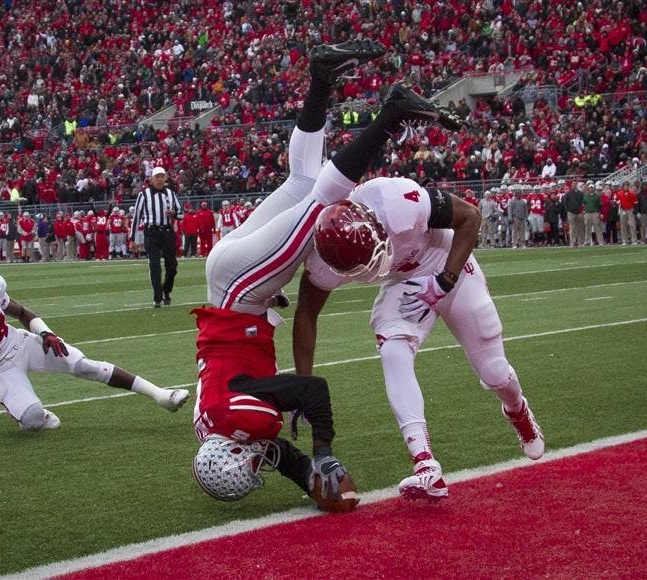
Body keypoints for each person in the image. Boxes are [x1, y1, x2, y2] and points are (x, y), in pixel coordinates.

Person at [191, 40, 463, 507]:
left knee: (322, 202)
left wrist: (325, 454)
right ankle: (321, 77)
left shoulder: (244, 423)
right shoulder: (215, 429)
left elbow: (312, 393)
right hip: (226, 279)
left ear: (235, 449)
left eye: (251, 462)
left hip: (243, 293)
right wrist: (318, 489)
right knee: (302, 181)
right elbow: (274, 451)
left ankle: (391, 114)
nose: (261, 462)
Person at [294, 173, 545, 503]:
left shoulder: (395, 201)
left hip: (445, 260)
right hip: (405, 281)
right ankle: (425, 464)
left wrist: (445, 281)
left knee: (495, 372)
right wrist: (303, 386)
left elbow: (470, 216)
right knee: (392, 349)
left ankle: (516, 409)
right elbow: (305, 315)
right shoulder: (324, 257)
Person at [0, 259, 190, 448]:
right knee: (32, 421)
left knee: (85, 366)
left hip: (22, 343)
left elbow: (22, 312)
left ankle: (161, 395)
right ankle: (32, 412)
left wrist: (46, 333)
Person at [131, 167, 183, 307]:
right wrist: (132, 239)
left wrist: (174, 214)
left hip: (167, 232)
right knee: (155, 266)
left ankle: (166, 290)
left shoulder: (171, 194)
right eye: (157, 177)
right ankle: (158, 297)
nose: (159, 179)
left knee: (172, 266)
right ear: (152, 179)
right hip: (151, 233)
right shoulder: (144, 195)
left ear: (166, 178)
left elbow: (181, 213)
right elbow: (136, 217)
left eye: (162, 176)